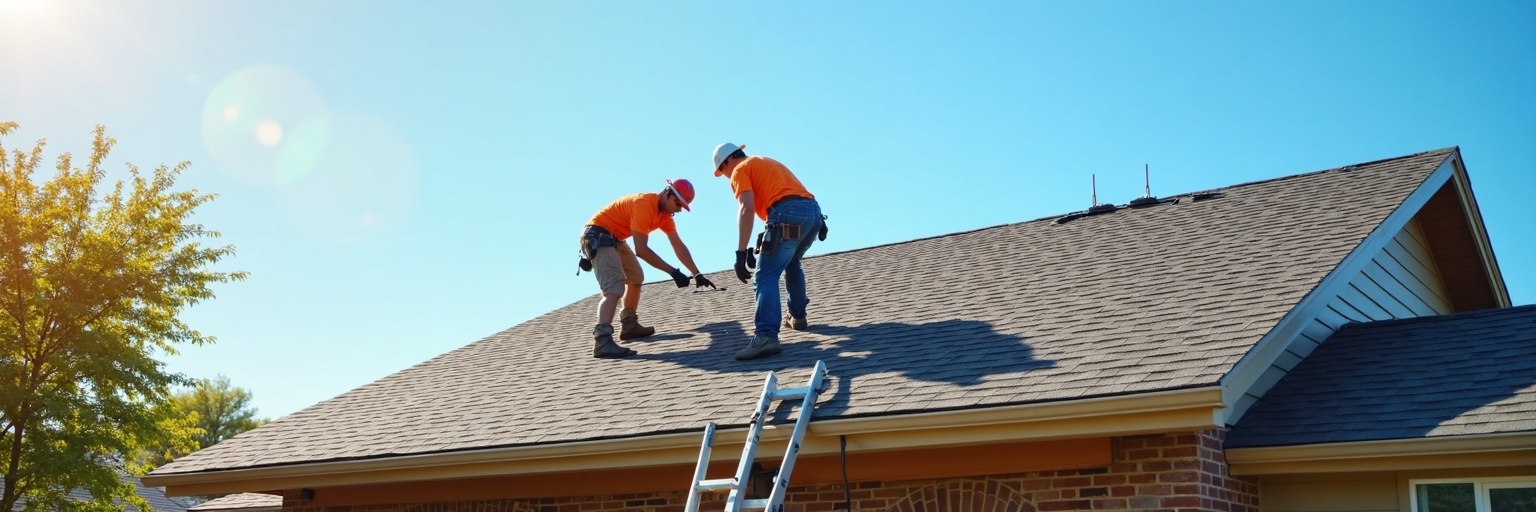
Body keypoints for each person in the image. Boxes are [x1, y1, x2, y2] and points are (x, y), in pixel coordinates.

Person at [711, 143, 825, 360]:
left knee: (765, 276)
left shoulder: (739, 169)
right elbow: (791, 197)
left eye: (722, 171)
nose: (725, 175)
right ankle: (797, 316)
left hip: (787, 214)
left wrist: (741, 252)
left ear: (726, 162)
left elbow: (746, 208)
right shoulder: (765, 162)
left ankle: (766, 336)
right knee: (791, 262)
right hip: (813, 215)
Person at [579, 179, 715, 359]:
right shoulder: (644, 205)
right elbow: (641, 250)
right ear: (667, 193)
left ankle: (629, 325)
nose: (678, 209)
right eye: (677, 203)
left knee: (636, 277)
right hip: (598, 236)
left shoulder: (664, 217)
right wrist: (673, 272)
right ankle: (602, 341)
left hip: (615, 239)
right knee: (613, 288)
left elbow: (678, 245)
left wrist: (696, 274)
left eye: (682, 206)